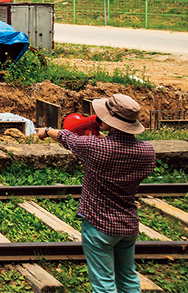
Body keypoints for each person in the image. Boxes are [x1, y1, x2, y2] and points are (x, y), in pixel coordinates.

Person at [37, 94, 155, 293]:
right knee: (128, 278)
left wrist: (47, 131)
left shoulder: (96, 148)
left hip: (99, 225)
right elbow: (119, 152)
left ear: (112, 121)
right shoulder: (147, 151)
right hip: (128, 223)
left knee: (104, 285)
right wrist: (104, 141)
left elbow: (67, 137)